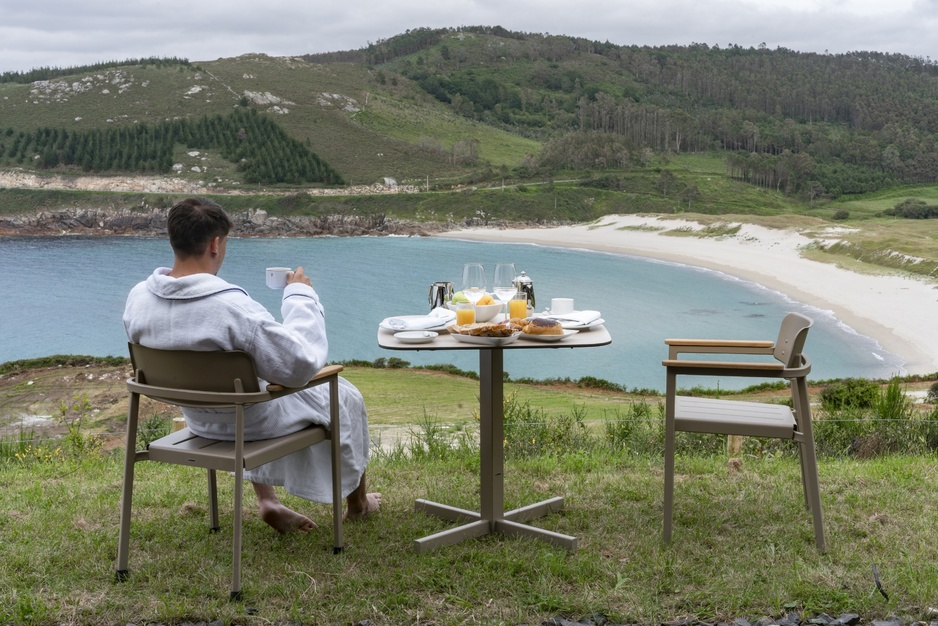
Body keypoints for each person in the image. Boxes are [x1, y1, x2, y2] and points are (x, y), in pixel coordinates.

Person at [123, 197, 380, 534]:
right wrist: (299, 296)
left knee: (244, 387)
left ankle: (268, 501)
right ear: (215, 244)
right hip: (249, 424)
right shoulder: (230, 308)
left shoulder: (138, 299)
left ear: (174, 240)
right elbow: (299, 364)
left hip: (199, 419)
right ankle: (358, 505)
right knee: (345, 395)